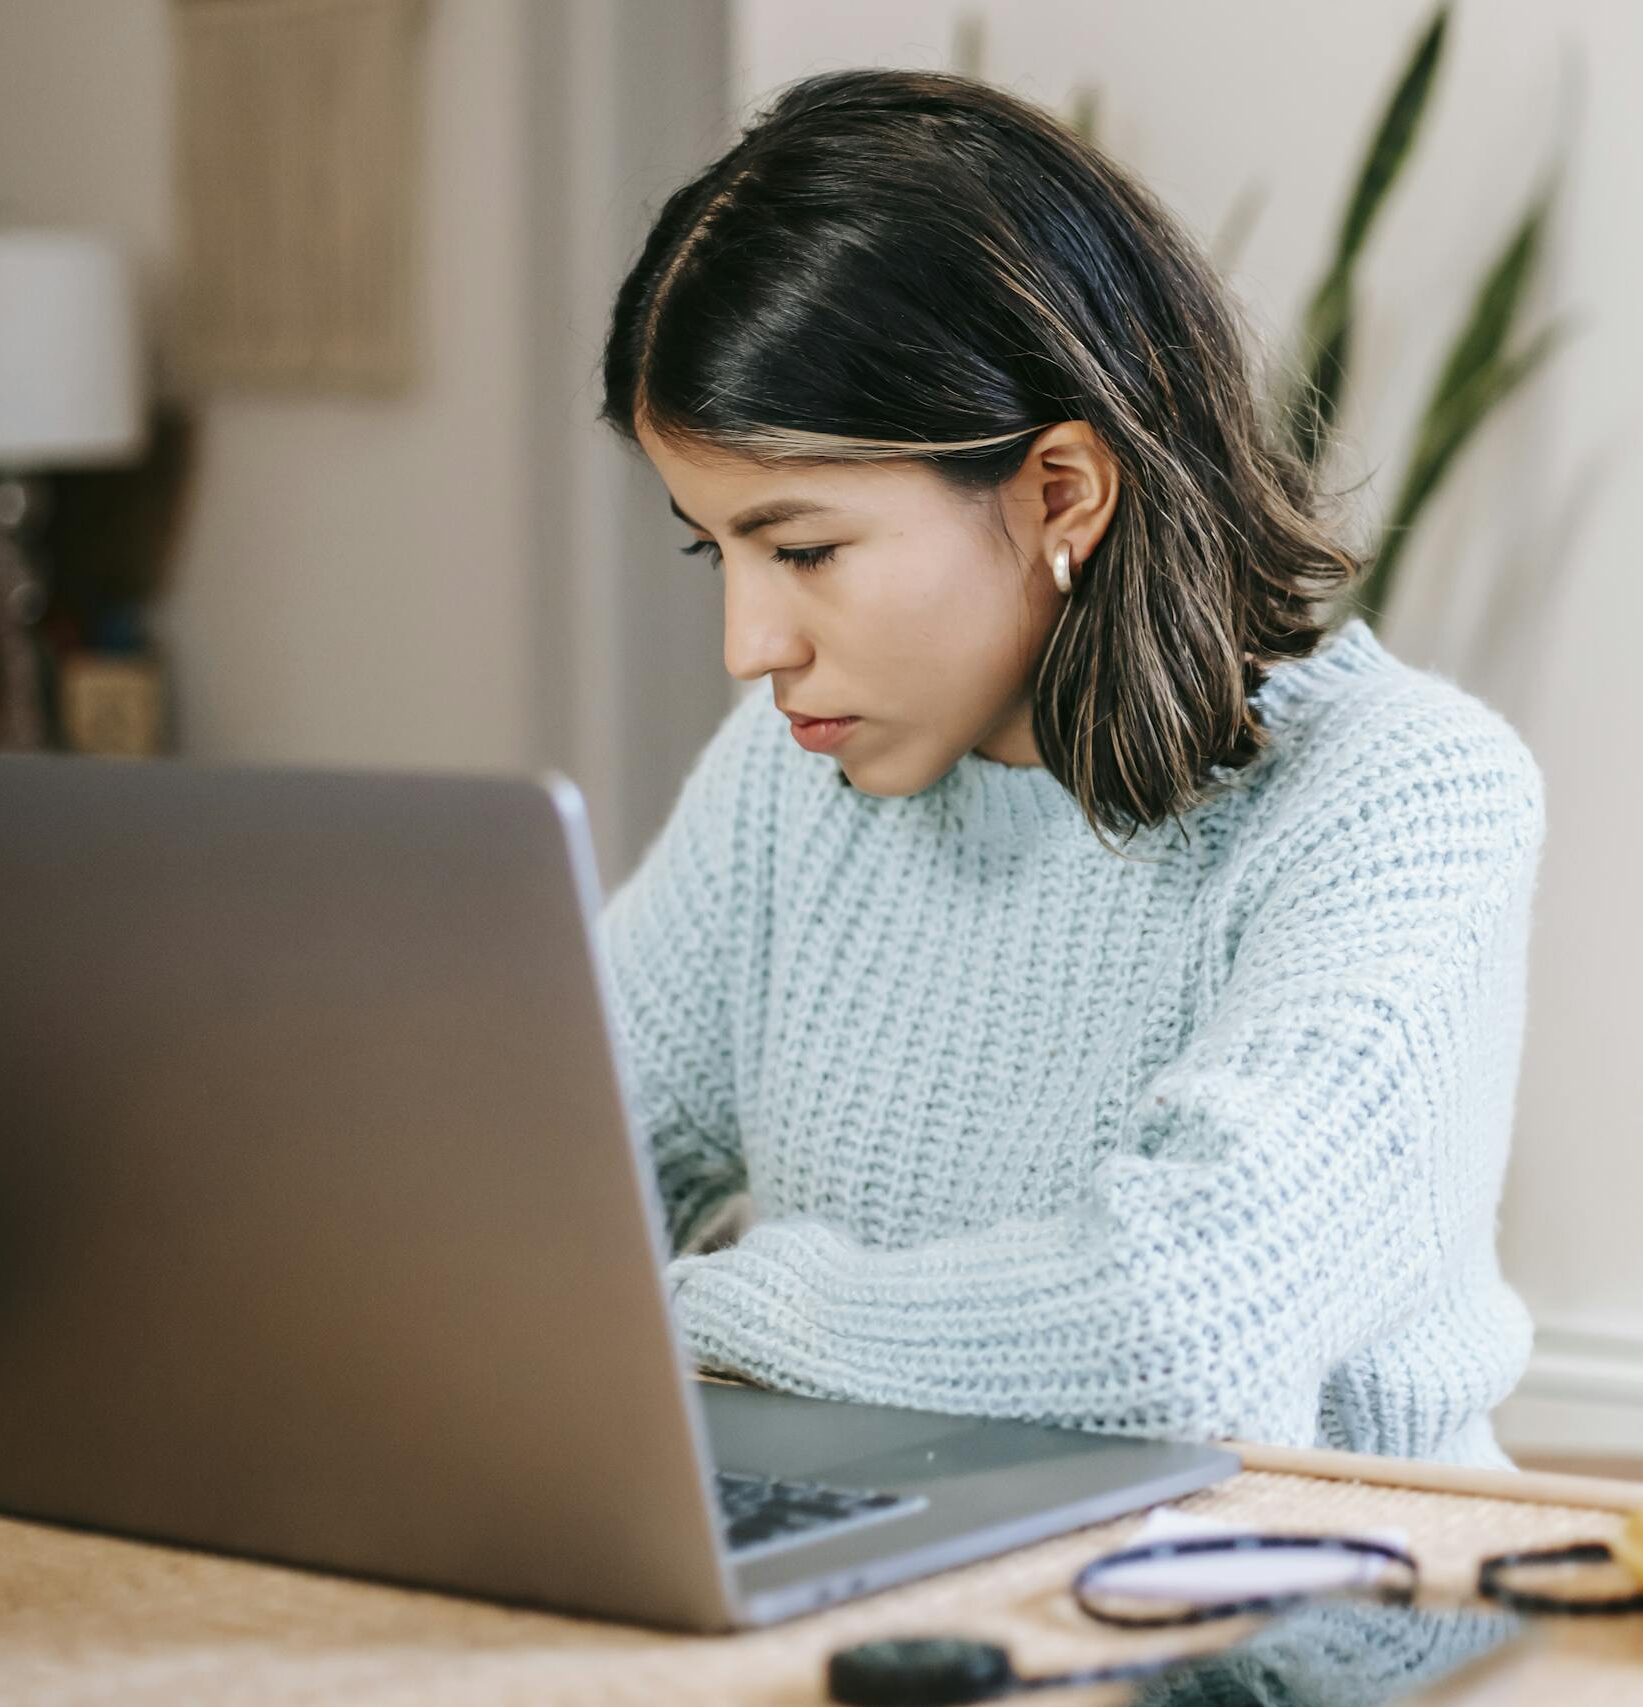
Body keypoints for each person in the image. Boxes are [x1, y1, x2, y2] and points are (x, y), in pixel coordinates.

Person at [592, 68, 1546, 1467]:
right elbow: (547, 1190)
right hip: (908, 1583)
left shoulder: (1406, 795)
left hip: (1290, 1649)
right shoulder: (792, 776)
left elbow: (1179, 1332)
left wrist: (696, 1310)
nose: (750, 643)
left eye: (803, 550)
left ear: (1061, 492)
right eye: (713, 547)